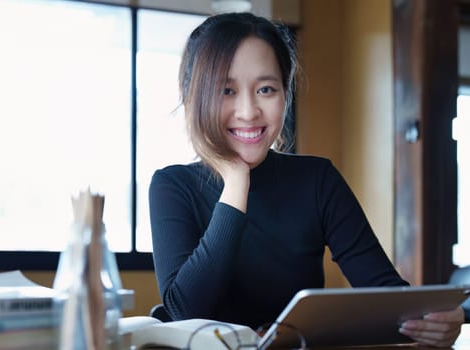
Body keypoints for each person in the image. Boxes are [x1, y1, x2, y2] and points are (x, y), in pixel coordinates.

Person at [148, 12, 464, 348]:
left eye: (266, 89)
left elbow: (385, 291)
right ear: (194, 95)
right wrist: (236, 182)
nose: (248, 110)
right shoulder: (172, 186)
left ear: (285, 93)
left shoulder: (318, 180)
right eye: (227, 90)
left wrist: (436, 320)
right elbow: (184, 310)